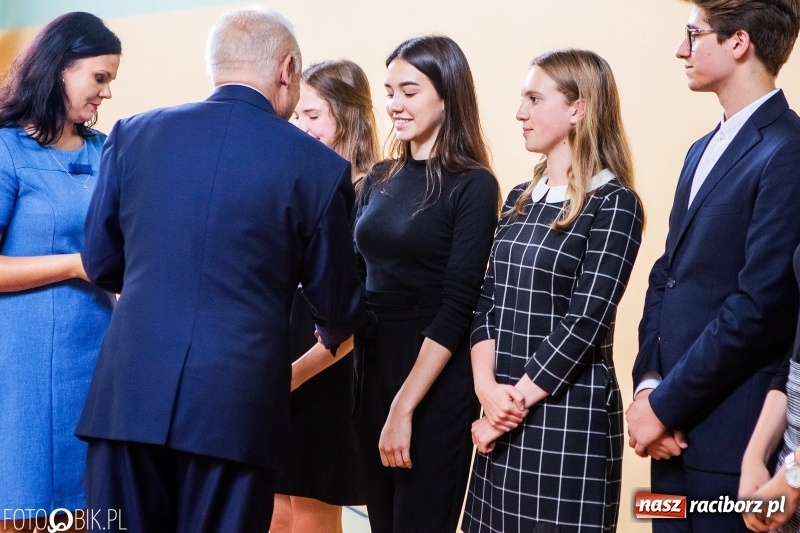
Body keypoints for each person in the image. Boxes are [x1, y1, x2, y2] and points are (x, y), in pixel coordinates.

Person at [76, 7, 364, 532]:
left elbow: (100, 262)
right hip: (236, 408)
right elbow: (339, 306)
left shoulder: (133, 134)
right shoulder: (318, 167)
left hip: (128, 398)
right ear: (287, 69)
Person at [626, 0, 800, 531]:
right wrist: (648, 388)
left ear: (739, 41)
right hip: (668, 436)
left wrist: (666, 404)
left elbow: (759, 305)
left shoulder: (787, 149)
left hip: (733, 435)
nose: (682, 49)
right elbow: (666, 274)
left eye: (693, 34)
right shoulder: (700, 149)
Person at [461, 49, 643, 533]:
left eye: (534, 98)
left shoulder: (614, 204)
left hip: (568, 419)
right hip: (502, 409)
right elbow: (487, 302)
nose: (520, 112)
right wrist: (486, 391)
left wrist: (505, 410)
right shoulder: (521, 196)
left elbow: (584, 324)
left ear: (578, 108)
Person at [351, 34, 499, 533]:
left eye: (409, 91)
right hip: (370, 370)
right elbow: (355, 277)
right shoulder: (379, 178)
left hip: (431, 380)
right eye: (389, 90)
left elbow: (459, 306)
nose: (393, 104)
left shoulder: (473, 184)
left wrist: (403, 406)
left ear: (446, 93)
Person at [0, 12, 120, 533]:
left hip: (99, 352)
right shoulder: (7, 150)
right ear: (58, 69)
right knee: (27, 508)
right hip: (23, 361)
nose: (107, 94)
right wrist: (76, 264)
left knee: (95, 509)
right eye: (99, 77)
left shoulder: (106, 149)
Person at [271, 59, 379, 533]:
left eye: (313, 116)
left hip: (326, 372)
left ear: (347, 117)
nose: (301, 127)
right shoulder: (303, 182)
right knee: (273, 507)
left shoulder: (371, 192)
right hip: (281, 365)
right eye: (297, 116)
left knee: (312, 510)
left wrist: (291, 376)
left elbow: (357, 314)